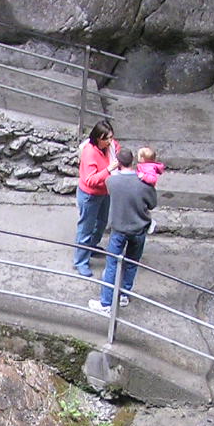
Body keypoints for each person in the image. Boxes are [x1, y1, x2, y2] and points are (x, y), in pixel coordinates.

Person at [88, 148, 157, 315]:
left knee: (112, 264)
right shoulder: (144, 182)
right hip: (139, 229)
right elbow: (152, 204)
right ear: (133, 161)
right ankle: (124, 294)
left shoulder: (111, 181)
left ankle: (106, 303)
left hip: (119, 229)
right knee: (132, 262)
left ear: (118, 163)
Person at [73, 119, 119, 277]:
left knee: (101, 223)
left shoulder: (109, 147)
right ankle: (80, 261)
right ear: (99, 138)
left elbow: (117, 149)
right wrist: (108, 170)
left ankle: (91, 247)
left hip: (104, 192)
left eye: (111, 137)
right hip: (90, 195)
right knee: (86, 228)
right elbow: (90, 180)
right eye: (107, 138)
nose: (111, 141)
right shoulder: (90, 153)